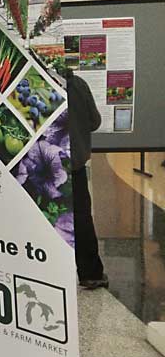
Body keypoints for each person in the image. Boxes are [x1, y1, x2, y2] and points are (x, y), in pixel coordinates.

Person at [67, 71, 108, 289]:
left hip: (44, 165)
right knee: (82, 218)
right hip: (75, 165)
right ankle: (90, 273)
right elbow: (94, 121)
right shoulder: (77, 84)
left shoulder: (34, 83)